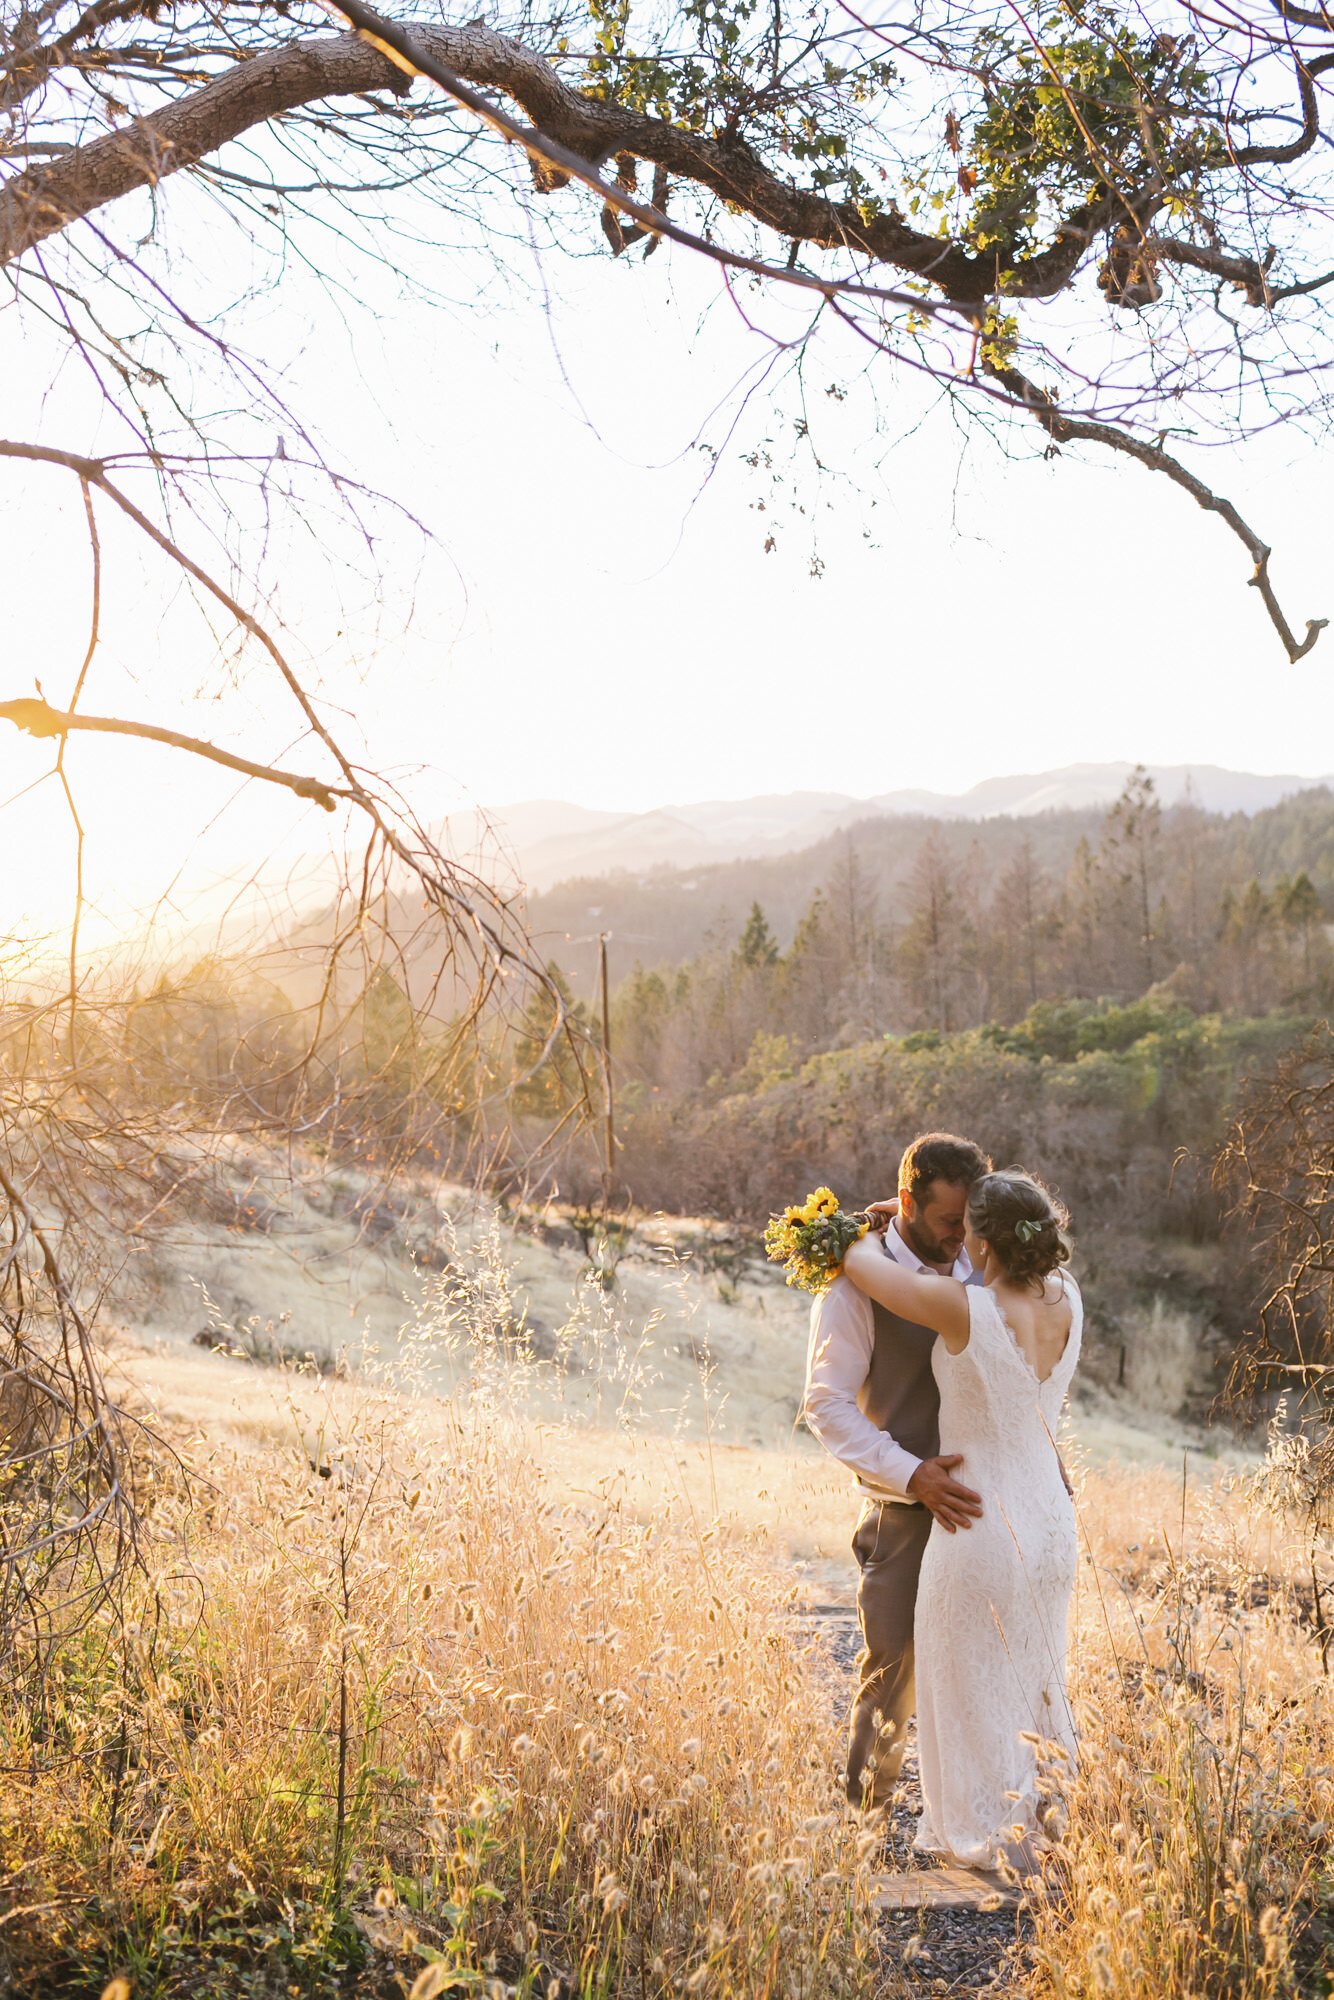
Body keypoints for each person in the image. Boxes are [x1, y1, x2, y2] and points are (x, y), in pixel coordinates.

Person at [841, 1168, 1080, 1872]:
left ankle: (987, 1832)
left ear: (982, 1239)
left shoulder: (962, 1307)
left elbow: (861, 1266)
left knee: (966, 1680)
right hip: (1050, 1518)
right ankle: (1044, 1821)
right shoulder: (1070, 1300)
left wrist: (880, 1221)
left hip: (975, 1518)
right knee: (1037, 1676)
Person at [802, 1131, 991, 1809]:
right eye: (947, 1222)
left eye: (970, 1223)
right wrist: (913, 1474)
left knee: (984, 1677)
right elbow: (824, 1404)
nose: (960, 1238)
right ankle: (865, 1838)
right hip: (904, 1517)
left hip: (988, 1513)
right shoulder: (855, 1284)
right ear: (907, 1201)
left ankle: (976, 1826)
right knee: (891, 1681)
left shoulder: (978, 1259)